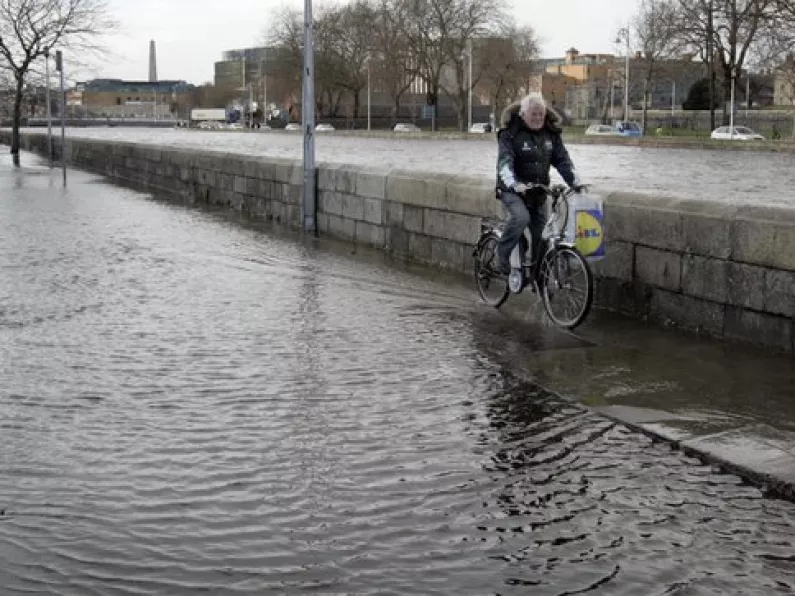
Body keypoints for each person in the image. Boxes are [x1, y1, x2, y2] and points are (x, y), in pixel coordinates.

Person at [494, 93, 582, 275]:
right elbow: (504, 162)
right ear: (523, 114)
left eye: (541, 114)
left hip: (537, 192)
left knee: (542, 235)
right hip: (512, 190)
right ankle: (502, 253)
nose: (538, 118)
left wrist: (576, 182)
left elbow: (562, 160)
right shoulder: (510, 134)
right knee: (521, 217)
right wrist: (514, 184)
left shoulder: (551, 134)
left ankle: (538, 277)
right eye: (533, 114)